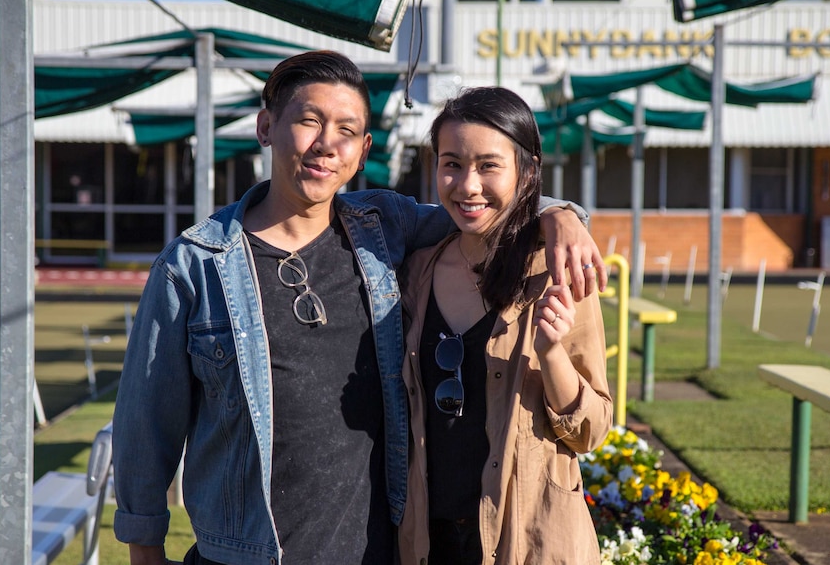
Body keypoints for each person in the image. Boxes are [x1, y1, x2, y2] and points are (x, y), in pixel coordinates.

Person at [111, 51, 605, 565]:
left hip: (377, 551)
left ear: (364, 149)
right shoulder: (193, 266)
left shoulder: (385, 227)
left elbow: (484, 206)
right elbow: (145, 423)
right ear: (265, 127)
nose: (326, 144)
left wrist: (560, 215)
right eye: (308, 121)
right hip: (243, 553)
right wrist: (145, 550)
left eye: (346, 130)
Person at [398, 86, 613, 565]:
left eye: (488, 166)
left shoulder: (558, 270)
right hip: (426, 540)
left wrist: (553, 353)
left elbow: (591, 432)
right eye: (451, 163)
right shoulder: (416, 271)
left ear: (528, 171)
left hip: (528, 538)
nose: (467, 185)